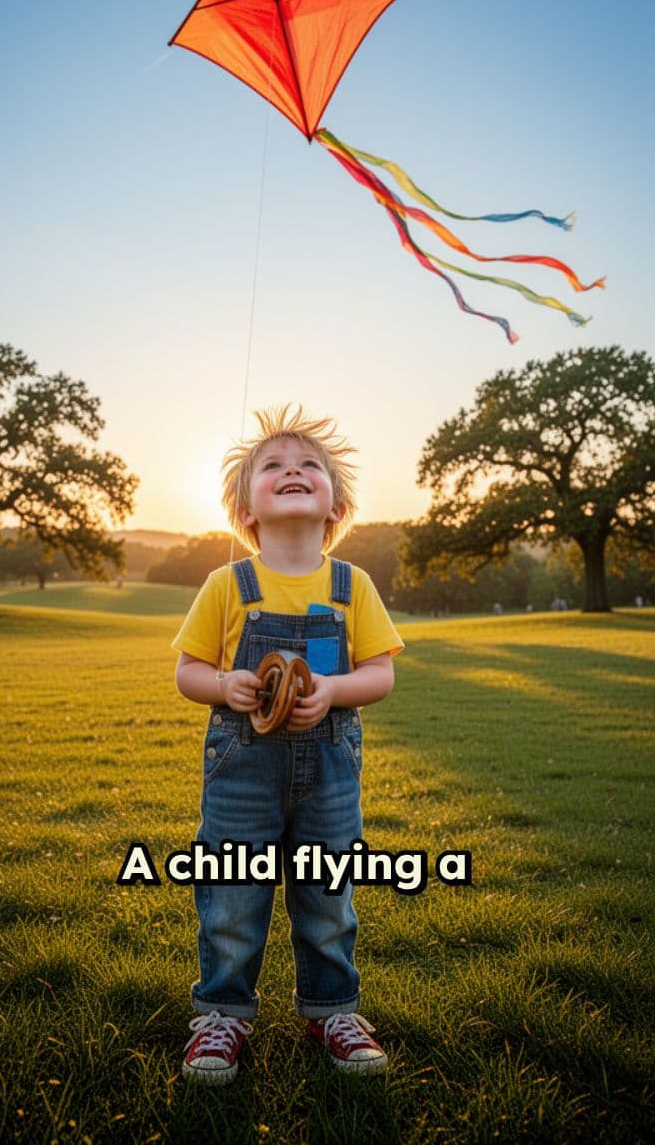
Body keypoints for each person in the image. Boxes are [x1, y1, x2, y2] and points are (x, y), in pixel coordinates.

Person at [173, 405, 404, 1082]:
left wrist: (333, 692)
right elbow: (186, 672)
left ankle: (332, 1007)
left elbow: (380, 672)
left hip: (329, 768)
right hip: (242, 768)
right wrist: (225, 684)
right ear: (245, 510)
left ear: (337, 505)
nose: (293, 471)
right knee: (233, 893)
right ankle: (221, 1015)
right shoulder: (227, 584)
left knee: (328, 894)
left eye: (309, 466)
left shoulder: (350, 585)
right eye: (273, 466)